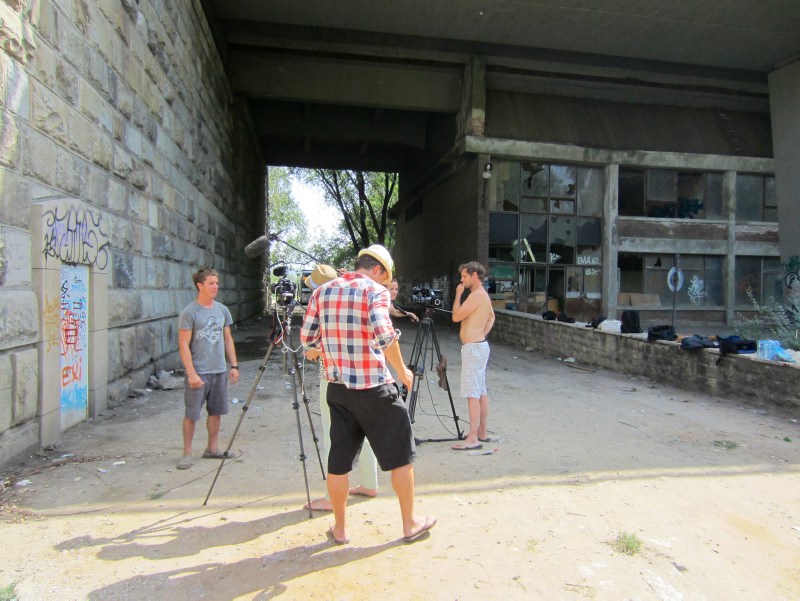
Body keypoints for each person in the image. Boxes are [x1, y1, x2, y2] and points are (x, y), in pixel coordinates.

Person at [300, 245, 437, 544]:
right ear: (377, 270)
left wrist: (335, 346)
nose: (386, 286)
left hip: (338, 390)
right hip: (375, 388)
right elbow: (385, 335)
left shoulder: (322, 292)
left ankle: (340, 529)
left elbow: (308, 339)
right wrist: (403, 371)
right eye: (385, 278)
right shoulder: (375, 292)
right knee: (401, 458)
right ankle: (410, 524)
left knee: (338, 462)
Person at [302, 264, 380, 511]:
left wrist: (315, 350)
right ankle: (369, 483)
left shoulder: (322, 301)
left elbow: (311, 340)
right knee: (366, 429)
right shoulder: (357, 296)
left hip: (333, 376)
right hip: (364, 375)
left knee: (332, 434)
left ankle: (330, 496)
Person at [176, 267, 239, 470]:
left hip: (218, 370)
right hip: (199, 372)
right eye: (211, 283)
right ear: (199, 286)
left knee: (216, 412)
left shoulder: (222, 310)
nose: (215, 287)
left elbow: (228, 339)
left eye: (216, 283)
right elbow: (183, 344)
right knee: (192, 414)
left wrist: (234, 365)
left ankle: (212, 448)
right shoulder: (189, 312)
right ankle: (187, 452)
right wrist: (191, 372)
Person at [450, 261, 495, 451]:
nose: (462, 280)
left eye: (464, 276)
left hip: (474, 348)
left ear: (474, 275)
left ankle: (473, 437)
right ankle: (481, 432)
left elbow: (456, 316)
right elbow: (491, 317)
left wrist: (458, 295)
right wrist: (481, 334)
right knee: (480, 390)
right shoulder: (482, 296)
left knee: (472, 393)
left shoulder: (476, 295)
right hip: (478, 346)